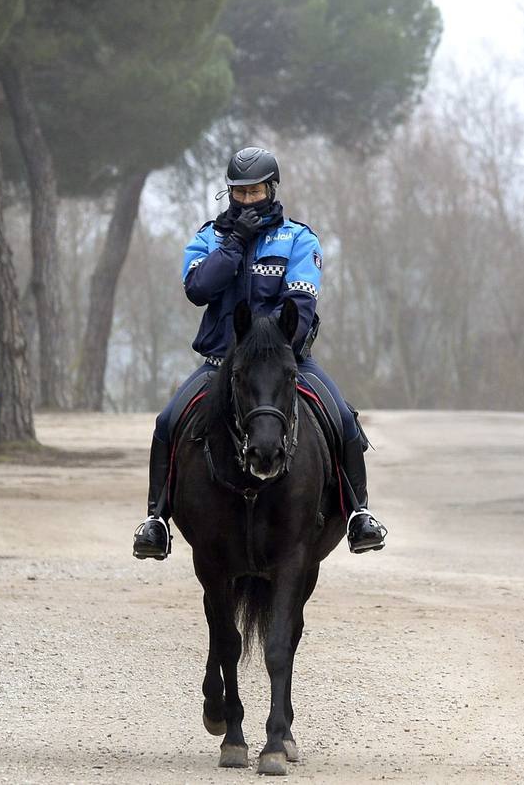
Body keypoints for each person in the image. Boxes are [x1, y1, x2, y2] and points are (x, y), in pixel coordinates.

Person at [132, 147, 387, 561]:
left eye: (256, 191)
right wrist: (234, 245)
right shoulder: (208, 239)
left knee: (343, 419)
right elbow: (198, 290)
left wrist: (277, 350)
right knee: (166, 422)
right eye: (240, 192)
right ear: (229, 193)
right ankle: (156, 520)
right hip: (219, 363)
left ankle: (359, 513)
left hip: (286, 361)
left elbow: (301, 305)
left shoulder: (299, 239)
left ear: (272, 188)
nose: (248, 199)